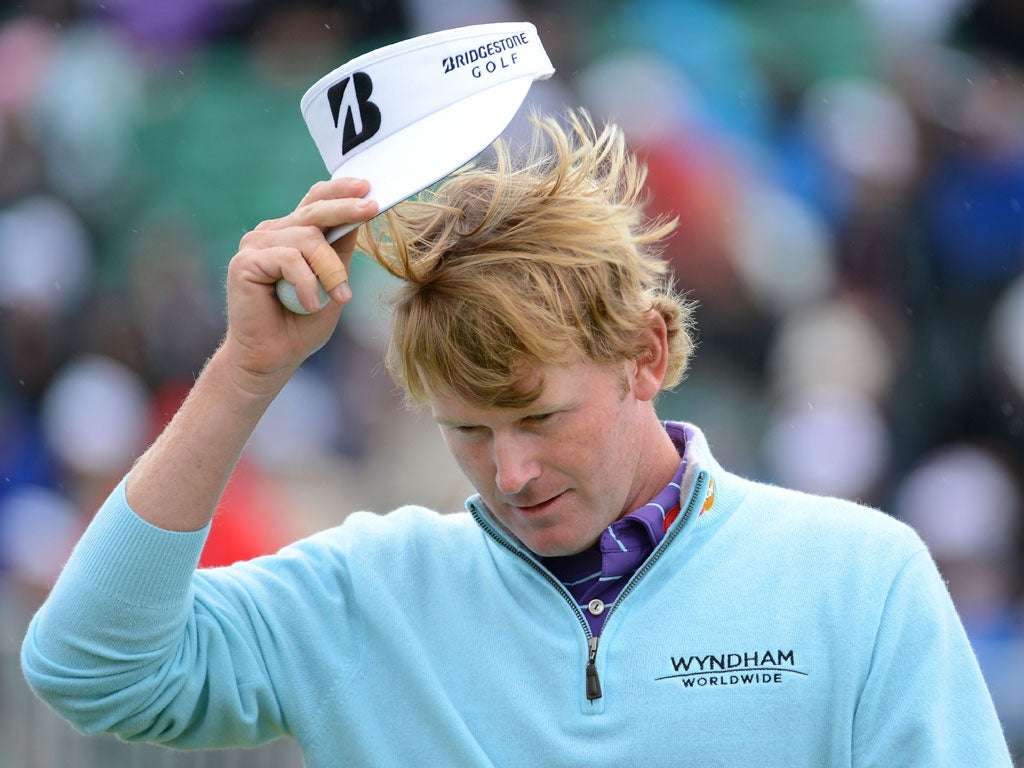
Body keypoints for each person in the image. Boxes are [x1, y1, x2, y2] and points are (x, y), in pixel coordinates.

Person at [21, 111, 1013, 767]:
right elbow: (87, 667)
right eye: (468, 430)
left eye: (540, 416)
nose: (512, 471)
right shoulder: (366, 592)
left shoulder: (857, 575)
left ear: (647, 351)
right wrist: (246, 373)